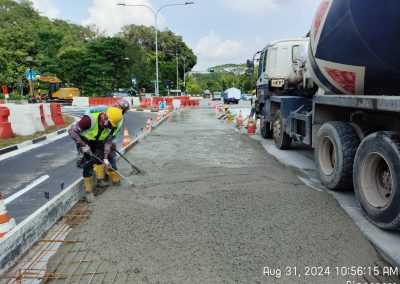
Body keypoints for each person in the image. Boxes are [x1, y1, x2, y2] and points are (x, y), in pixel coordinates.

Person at [68, 107, 123, 202]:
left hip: (98, 142)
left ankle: (107, 181)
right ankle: (89, 192)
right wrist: (83, 145)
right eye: (109, 123)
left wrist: (105, 158)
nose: (110, 126)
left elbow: (108, 142)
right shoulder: (88, 120)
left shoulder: (112, 126)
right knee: (88, 164)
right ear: (105, 117)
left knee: (106, 158)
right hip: (84, 141)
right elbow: (72, 131)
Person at [84, 99, 130, 186]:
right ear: (117, 106)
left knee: (111, 157)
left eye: (124, 111)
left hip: (109, 138)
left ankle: (114, 178)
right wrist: (87, 118)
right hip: (100, 138)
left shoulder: (120, 118)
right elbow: (90, 110)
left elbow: (117, 131)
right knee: (99, 157)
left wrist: (113, 141)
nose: (122, 112)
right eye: (122, 110)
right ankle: (100, 179)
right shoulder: (106, 109)